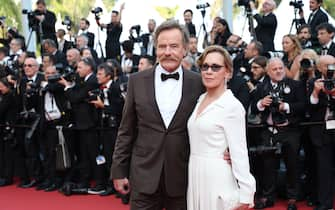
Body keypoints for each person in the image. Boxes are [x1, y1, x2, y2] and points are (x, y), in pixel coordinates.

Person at [111, 20, 205, 210]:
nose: (167, 52)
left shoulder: (198, 82)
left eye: (174, 46)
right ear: (155, 49)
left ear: (185, 49)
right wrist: (118, 171)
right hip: (144, 174)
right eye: (162, 46)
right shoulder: (136, 81)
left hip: (183, 176)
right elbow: (126, 130)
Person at [187, 45, 255, 210]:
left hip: (218, 177)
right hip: (195, 172)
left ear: (228, 72)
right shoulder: (200, 99)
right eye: (205, 66)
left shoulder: (232, 106)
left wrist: (246, 194)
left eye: (215, 67)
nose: (209, 71)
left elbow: (239, 152)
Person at [308, 55, 335, 210]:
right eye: (327, 66)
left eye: (333, 65)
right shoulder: (313, 82)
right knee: (324, 169)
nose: (331, 69)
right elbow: (309, 107)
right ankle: (325, 204)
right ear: (319, 68)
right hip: (321, 131)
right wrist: (316, 93)